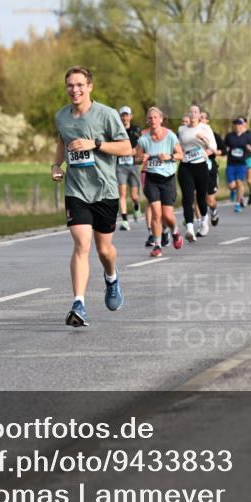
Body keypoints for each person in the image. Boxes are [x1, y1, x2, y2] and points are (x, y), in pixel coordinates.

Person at [51, 66, 131, 327]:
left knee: (104, 250)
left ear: (89, 87)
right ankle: (79, 304)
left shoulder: (107, 115)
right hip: (76, 190)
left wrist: (95, 144)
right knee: (81, 244)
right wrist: (56, 165)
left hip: (105, 190)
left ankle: (111, 277)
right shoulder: (61, 116)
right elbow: (62, 142)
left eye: (79, 85)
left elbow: (126, 147)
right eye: (70, 85)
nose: (74, 90)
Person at [136, 107, 184, 257]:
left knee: (167, 216)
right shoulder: (143, 139)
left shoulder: (170, 136)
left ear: (161, 119)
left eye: (155, 117)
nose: (153, 120)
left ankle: (175, 231)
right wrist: (141, 158)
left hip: (167, 179)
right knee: (156, 214)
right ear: (147, 120)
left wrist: (170, 156)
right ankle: (157, 245)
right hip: (151, 179)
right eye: (150, 118)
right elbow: (136, 158)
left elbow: (180, 154)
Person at [176, 104, 216, 241]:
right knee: (187, 198)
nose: (193, 114)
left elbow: (213, 147)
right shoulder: (182, 129)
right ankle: (190, 229)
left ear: (199, 115)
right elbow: (179, 147)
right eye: (191, 112)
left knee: (201, 198)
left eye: (195, 112)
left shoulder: (205, 128)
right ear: (188, 114)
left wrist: (203, 139)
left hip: (200, 166)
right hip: (186, 166)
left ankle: (204, 220)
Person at [115, 106, 143, 231]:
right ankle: (125, 221)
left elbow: (142, 144)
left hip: (133, 165)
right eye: (122, 115)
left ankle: (136, 205)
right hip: (120, 165)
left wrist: (135, 150)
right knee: (122, 193)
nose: (124, 118)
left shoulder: (136, 130)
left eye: (126, 115)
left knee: (134, 196)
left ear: (130, 117)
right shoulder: (116, 130)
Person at [224, 117, 251, 213]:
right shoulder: (229, 136)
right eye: (236, 125)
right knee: (232, 185)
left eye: (239, 124)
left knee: (239, 182)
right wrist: (226, 149)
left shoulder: (247, 137)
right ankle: (232, 190)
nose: (237, 126)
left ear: (243, 126)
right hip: (231, 164)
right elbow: (224, 147)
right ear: (234, 126)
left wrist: (250, 148)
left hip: (242, 164)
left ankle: (237, 204)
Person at [199, 109, 223, 227]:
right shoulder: (191, 134)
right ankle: (201, 222)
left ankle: (213, 210)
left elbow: (223, 150)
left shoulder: (213, 135)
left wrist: (211, 151)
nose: (200, 119)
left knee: (210, 201)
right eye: (199, 117)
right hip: (195, 167)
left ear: (207, 120)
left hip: (209, 168)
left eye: (203, 117)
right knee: (196, 196)